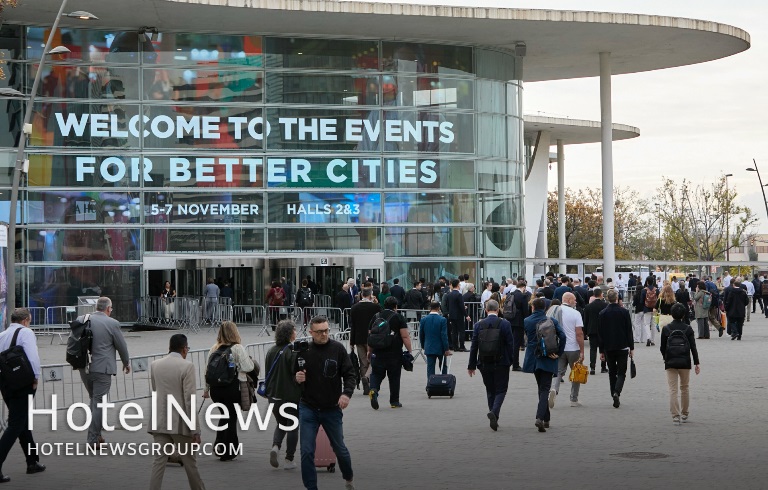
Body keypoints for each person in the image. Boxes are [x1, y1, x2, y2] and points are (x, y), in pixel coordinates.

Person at [295, 316, 356, 490]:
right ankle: (311, 487)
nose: (324, 334)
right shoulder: (304, 351)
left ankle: (348, 477)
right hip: (308, 407)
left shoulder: (337, 349)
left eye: (326, 330)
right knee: (306, 451)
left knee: (340, 449)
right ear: (311, 332)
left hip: (331, 408)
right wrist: (297, 378)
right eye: (320, 331)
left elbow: (350, 374)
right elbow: (295, 375)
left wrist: (346, 394)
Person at [148, 334, 206, 490]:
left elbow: (155, 391)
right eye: (187, 348)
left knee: (158, 463)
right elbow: (189, 400)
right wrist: (196, 429)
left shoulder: (155, 365)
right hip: (180, 424)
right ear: (184, 349)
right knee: (190, 465)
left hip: (159, 421)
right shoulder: (187, 366)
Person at [0, 308, 45, 483]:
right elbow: (33, 357)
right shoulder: (26, 333)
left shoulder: (2, 334)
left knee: (22, 421)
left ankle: (32, 461)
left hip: (6, 383)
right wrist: (36, 377)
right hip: (23, 383)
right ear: (26, 320)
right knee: (15, 424)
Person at [79, 297, 130, 445]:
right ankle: (93, 438)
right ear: (108, 308)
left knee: (94, 402)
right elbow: (122, 346)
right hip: (102, 369)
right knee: (98, 404)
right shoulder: (112, 323)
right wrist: (126, 362)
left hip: (85, 368)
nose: (111, 310)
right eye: (111, 308)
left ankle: (98, 435)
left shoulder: (84, 319)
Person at [203, 321, 256, 461]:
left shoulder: (214, 348)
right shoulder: (237, 348)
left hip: (216, 390)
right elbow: (248, 367)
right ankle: (228, 450)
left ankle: (220, 445)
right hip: (231, 388)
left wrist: (206, 389)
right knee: (231, 417)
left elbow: (207, 371)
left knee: (224, 415)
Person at [467, 300, 515, 431]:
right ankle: (494, 412)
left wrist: (471, 365)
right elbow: (510, 344)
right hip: (501, 362)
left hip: (484, 362)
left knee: (490, 390)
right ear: (498, 309)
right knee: (501, 390)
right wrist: (511, 361)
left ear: (486, 310)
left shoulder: (478, 325)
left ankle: (493, 414)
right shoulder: (505, 324)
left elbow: (474, 346)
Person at [522, 298, 566, 433]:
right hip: (549, 357)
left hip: (534, 358)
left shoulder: (527, 321)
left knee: (541, 388)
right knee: (545, 388)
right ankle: (540, 418)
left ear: (533, 307)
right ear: (545, 308)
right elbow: (563, 336)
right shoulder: (551, 321)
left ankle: (546, 419)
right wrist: (559, 352)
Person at [265, 321, 301, 470]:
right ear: (289, 334)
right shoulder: (292, 352)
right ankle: (289, 459)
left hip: (273, 395)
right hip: (290, 396)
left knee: (281, 423)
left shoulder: (271, 351)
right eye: (294, 330)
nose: (296, 332)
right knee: (292, 426)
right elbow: (296, 374)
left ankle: (275, 446)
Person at [368, 297, 413, 409]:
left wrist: (370, 351)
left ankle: (373, 389)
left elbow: (371, 335)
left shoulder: (376, 316)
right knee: (394, 377)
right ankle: (394, 401)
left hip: (378, 351)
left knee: (376, 374)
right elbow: (405, 335)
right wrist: (409, 350)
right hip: (394, 352)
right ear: (395, 306)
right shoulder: (398, 317)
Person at [659, 303, 701, 425]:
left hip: (671, 361)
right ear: (683, 314)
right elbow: (693, 347)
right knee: (685, 387)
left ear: (672, 314)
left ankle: (675, 416)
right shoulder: (688, 329)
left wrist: (665, 358)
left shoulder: (666, 329)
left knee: (673, 389)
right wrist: (696, 362)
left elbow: (662, 347)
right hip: (684, 361)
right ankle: (684, 413)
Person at [597, 289, 634, 409]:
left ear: (607, 298)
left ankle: (613, 392)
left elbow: (600, 333)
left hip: (608, 347)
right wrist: (631, 347)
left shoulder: (602, 313)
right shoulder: (624, 312)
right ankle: (617, 392)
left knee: (612, 372)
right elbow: (629, 330)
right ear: (617, 298)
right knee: (622, 372)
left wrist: (601, 350)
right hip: (622, 346)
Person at [547, 292, 585, 408]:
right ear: (568, 300)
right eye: (574, 300)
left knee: (558, 372)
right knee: (576, 372)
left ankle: (554, 389)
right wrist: (582, 350)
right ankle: (574, 399)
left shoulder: (553, 311)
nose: (576, 302)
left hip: (559, 347)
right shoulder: (576, 313)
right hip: (573, 348)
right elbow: (579, 333)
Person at [349, 288, 382, 394]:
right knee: (374, 360)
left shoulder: (354, 307)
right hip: (372, 338)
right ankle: (368, 378)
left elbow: (352, 326)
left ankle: (365, 386)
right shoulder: (375, 307)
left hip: (358, 338)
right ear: (371, 295)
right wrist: (377, 303)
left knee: (363, 362)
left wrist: (351, 342)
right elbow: (381, 318)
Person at [420, 301, 452, 380]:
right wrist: (446, 348)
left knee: (430, 368)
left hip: (429, 346)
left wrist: (423, 345)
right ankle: (444, 383)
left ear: (430, 308)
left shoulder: (424, 320)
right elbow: (444, 335)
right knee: (443, 366)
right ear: (438, 308)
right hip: (441, 347)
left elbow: (421, 334)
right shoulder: (442, 320)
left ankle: (430, 385)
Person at [583, 287, 608, 375]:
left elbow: (586, 321)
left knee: (592, 349)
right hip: (603, 331)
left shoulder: (588, 306)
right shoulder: (605, 305)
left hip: (592, 330)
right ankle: (603, 367)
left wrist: (585, 332)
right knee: (604, 348)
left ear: (594, 295)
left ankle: (592, 367)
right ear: (601, 294)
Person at [510, 280, 532, 370]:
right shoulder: (522, 296)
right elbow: (525, 311)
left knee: (510, 342)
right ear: (523, 287)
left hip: (510, 320)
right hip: (519, 322)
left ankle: (509, 361)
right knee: (517, 343)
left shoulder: (510, 294)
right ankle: (515, 364)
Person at [445, 279, 470, 352]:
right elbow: (461, 306)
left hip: (452, 315)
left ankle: (455, 346)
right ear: (458, 285)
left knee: (454, 331)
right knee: (461, 331)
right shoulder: (459, 295)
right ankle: (462, 346)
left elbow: (448, 305)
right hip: (459, 315)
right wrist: (466, 315)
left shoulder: (449, 294)